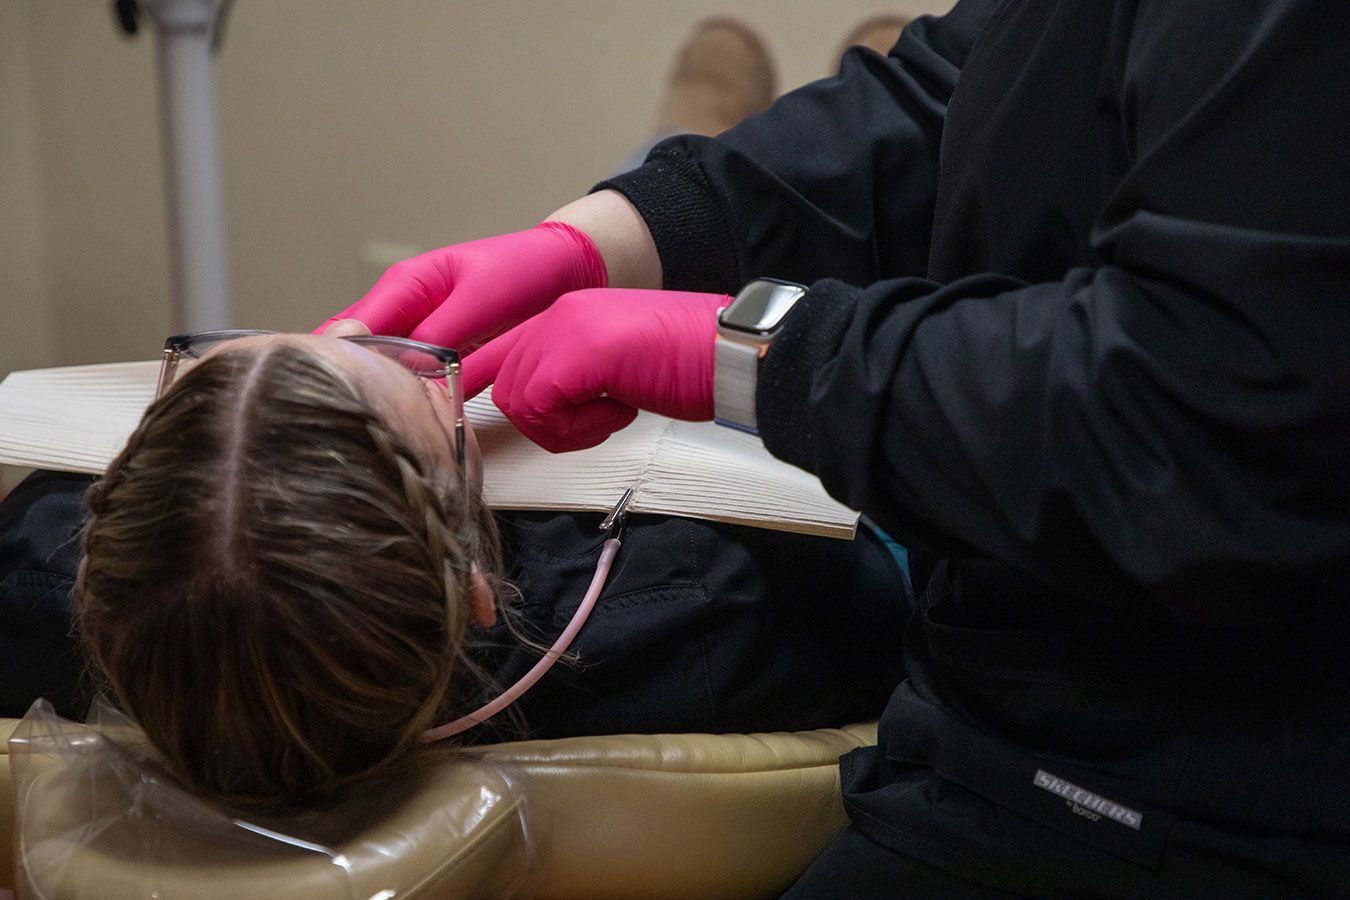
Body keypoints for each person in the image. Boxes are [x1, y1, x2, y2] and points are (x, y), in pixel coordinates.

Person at [319, 0, 1350, 895]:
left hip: (1200, 788)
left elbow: (1208, 409)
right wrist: (631, 228)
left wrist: (765, 358)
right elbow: (985, 85)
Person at [0, 329, 909, 811]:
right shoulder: (713, 595)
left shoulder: (21, 581)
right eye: (429, 379)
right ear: (475, 585)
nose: (363, 329)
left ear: (97, 564)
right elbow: (897, 561)